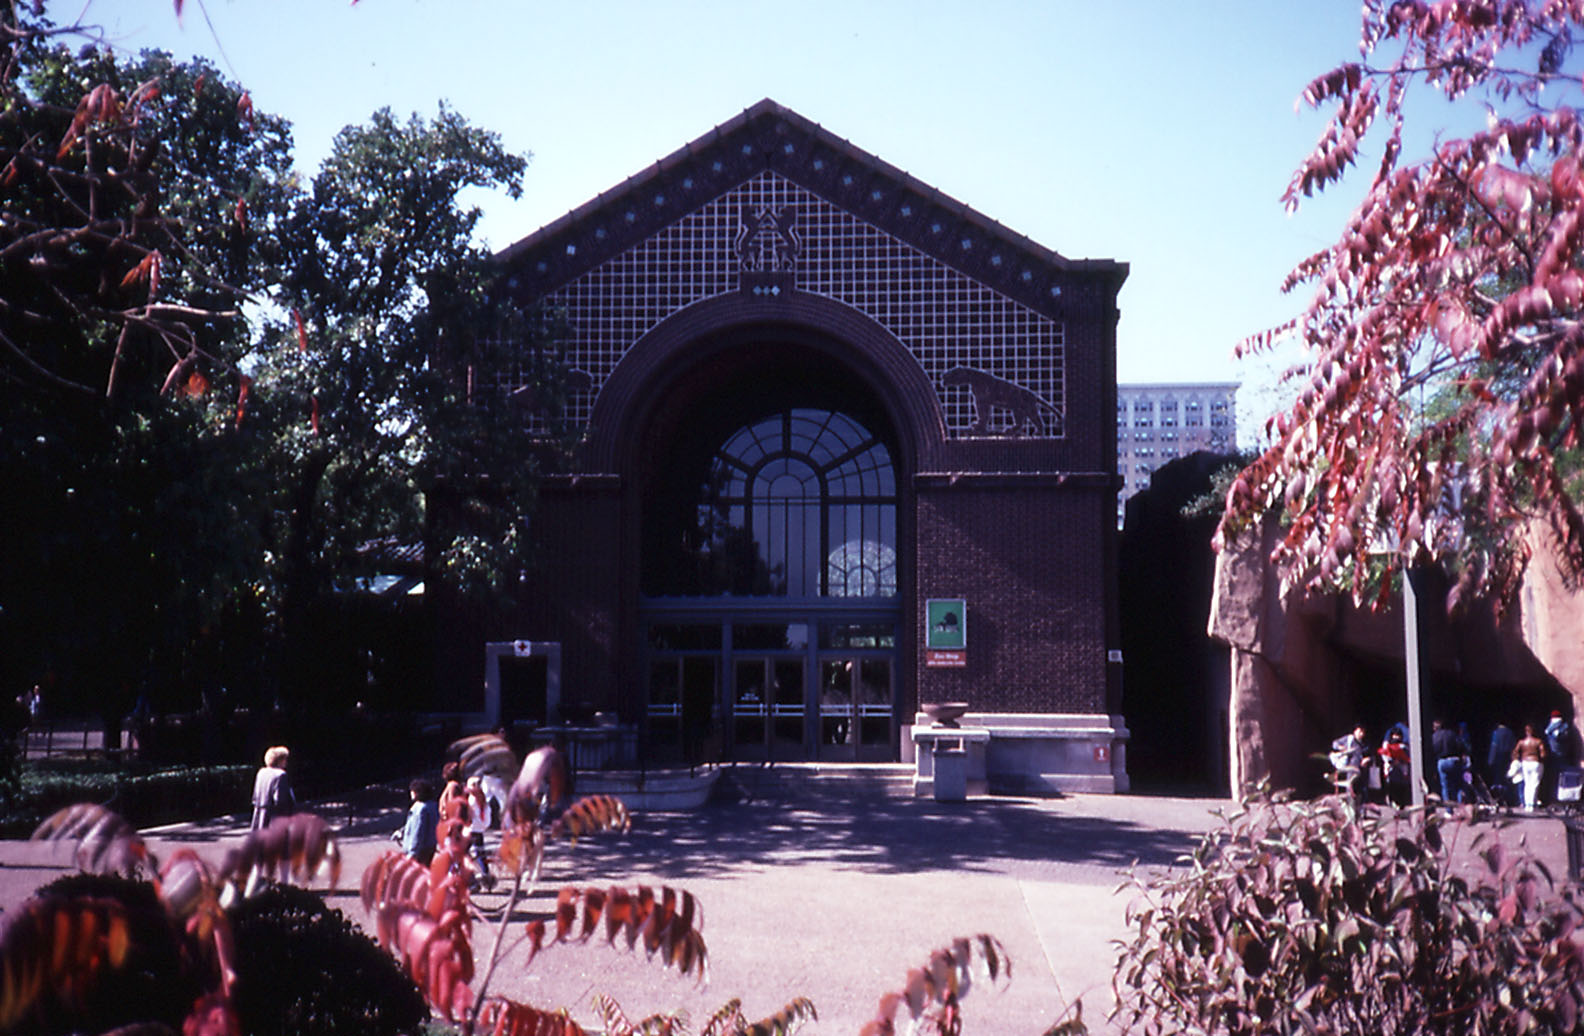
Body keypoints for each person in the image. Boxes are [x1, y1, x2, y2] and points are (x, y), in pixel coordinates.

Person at [250, 745, 296, 831]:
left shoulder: (261, 772)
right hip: (273, 817)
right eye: (285, 759)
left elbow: (255, 796)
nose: (286, 762)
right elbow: (280, 800)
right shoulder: (281, 775)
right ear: (280, 760)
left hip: (259, 815)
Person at [399, 778, 439, 866]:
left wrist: (412, 853)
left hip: (419, 850)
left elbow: (417, 832)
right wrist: (402, 831)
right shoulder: (433, 805)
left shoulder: (419, 809)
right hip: (430, 845)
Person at [465, 775, 494, 889]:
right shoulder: (482, 798)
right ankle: (486, 876)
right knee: (480, 854)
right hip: (480, 830)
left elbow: (469, 816)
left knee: (463, 854)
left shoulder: (471, 800)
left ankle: (472, 880)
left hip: (472, 830)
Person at [1431, 718, 1469, 805]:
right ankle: (1461, 807)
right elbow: (1461, 746)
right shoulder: (1451, 734)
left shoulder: (1434, 736)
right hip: (1453, 760)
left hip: (1441, 761)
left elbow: (1432, 750)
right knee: (1459, 785)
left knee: (1445, 787)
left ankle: (1449, 810)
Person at [1329, 725, 1370, 799]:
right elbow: (1334, 743)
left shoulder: (1364, 744)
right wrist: (1340, 747)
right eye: (1360, 731)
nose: (1361, 734)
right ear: (1355, 731)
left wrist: (1367, 759)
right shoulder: (1349, 739)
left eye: (1363, 732)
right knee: (1350, 785)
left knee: (1360, 790)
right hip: (1349, 768)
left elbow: (1370, 755)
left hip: (1360, 770)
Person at [1513, 723, 1547, 812]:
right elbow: (1543, 754)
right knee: (1535, 784)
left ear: (1526, 732)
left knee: (1527, 784)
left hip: (1525, 763)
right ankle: (1533, 803)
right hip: (1535, 762)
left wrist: (1517, 760)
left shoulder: (1521, 742)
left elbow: (1515, 752)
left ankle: (1527, 804)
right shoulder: (1538, 741)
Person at [1379, 728, 1411, 807]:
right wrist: (1392, 760)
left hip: (1401, 772)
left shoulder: (1404, 746)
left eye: (1398, 735)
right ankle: (1393, 803)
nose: (1396, 737)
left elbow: (1408, 757)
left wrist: (1401, 760)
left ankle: (1401, 805)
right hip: (1391, 770)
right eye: (1395, 735)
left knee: (1401, 789)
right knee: (1392, 788)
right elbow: (1384, 755)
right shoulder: (1387, 745)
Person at [1487, 721, 1518, 805]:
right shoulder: (1510, 733)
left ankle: (1498, 799)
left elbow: (1494, 746)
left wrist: (1491, 760)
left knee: (1497, 780)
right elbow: (1513, 747)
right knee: (1506, 779)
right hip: (1507, 759)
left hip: (1498, 758)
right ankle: (1508, 799)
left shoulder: (1496, 733)